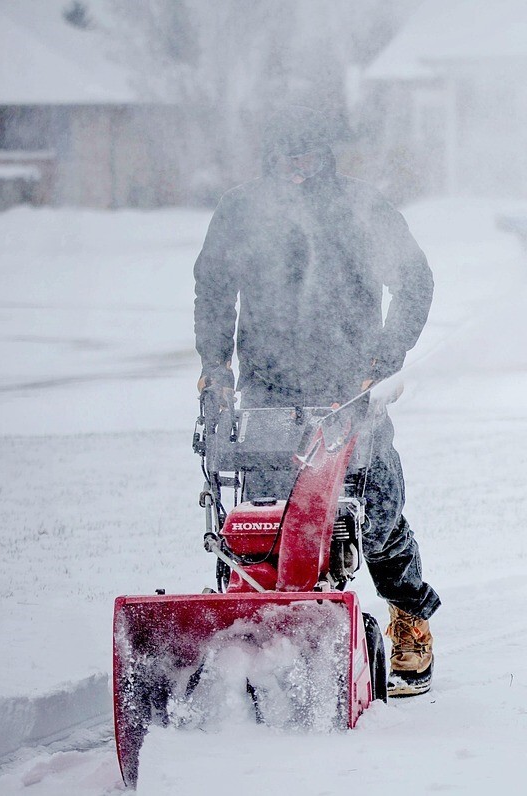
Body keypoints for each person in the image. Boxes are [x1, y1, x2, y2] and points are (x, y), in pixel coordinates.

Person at [192, 105, 439, 697]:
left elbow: (414, 281)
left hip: (349, 386)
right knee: (266, 518)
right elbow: (214, 287)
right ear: (269, 160)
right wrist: (214, 368)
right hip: (269, 388)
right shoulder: (243, 212)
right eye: (284, 159)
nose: (295, 170)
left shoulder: (360, 208)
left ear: (324, 158)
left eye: (306, 157)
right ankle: (256, 630)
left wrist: (382, 360)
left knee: (374, 510)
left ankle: (409, 614)